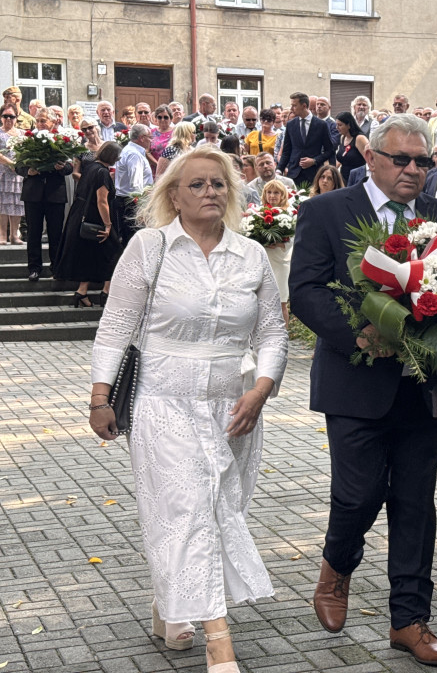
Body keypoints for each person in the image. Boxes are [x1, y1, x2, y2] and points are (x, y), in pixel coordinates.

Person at [88, 146, 288, 673]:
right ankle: (218, 641)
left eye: (218, 184)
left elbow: (272, 332)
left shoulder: (250, 256)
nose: (209, 193)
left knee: (222, 509)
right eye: (196, 185)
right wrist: (99, 395)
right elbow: (114, 327)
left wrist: (263, 387)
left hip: (234, 407)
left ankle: (168, 602)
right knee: (190, 509)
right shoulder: (149, 247)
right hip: (162, 402)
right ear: (173, 196)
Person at [289, 113, 437, 667]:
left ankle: (409, 621)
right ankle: (337, 567)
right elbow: (307, 289)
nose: (413, 169)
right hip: (354, 383)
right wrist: (359, 335)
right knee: (359, 495)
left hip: (422, 388)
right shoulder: (324, 212)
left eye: (423, 160)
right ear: (372, 157)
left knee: (415, 503)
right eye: (401, 159)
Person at [52, 141, 123, 306]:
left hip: (81, 215)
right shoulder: (103, 173)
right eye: (117, 156)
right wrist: (108, 225)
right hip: (96, 218)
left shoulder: (90, 167)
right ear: (112, 157)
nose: (118, 159)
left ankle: (82, 292)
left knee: (91, 255)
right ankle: (106, 292)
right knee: (114, 253)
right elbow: (102, 201)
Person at [16, 131, 73, 281]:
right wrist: (28, 171)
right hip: (33, 195)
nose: (42, 123)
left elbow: (70, 168)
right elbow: (18, 166)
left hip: (55, 195)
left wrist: (62, 168)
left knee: (56, 234)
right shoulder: (28, 143)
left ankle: (56, 268)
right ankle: (34, 268)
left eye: (44, 121)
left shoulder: (60, 142)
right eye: (39, 121)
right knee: (34, 233)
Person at [279, 92, 334, 188]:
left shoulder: (321, 125)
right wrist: (279, 169)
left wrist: (314, 160)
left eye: (294, 105)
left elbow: (329, 150)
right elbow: (286, 151)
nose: (291, 109)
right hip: (294, 174)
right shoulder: (291, 124)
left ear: (304, 106)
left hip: (314, 175)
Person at [259, 180, 293, 326]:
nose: (272, 196)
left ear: (282, 195)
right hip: (263, 259)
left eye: (276, 192)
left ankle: (282, 335)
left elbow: (293, 240)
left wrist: (277, 242)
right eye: (269, 192)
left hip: (280, 261)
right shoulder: (258, 213)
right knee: (261, 302)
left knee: (281, 302)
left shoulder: (289, 214)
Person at [113, 125, 154, 244]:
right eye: (149, 137)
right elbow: (135, 184)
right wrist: (141, 208)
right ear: (142, 138)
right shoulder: (134, 154)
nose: (151, 140)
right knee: (133, 239)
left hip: (128, 201)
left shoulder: (130, 150)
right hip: (132, 203)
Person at [0, 108, 25, 244]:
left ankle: (14, 235)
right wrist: (11, 163)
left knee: (17, 203)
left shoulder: (22, 134)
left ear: (17, 117)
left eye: (11, 116)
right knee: (2, 204)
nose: (8, 119)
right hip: (2, 173)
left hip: (18, 174)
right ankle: (2, 235)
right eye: (5, 116)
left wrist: (20, 164)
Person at [333, 111, 369, 185]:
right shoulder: (343, 137)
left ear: (349, 125)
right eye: (336, 125)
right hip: (343, 178)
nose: (337, 128)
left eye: (340, 125)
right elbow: (342, 157)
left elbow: (369, 159)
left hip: (358, 179)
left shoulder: (360, 138)